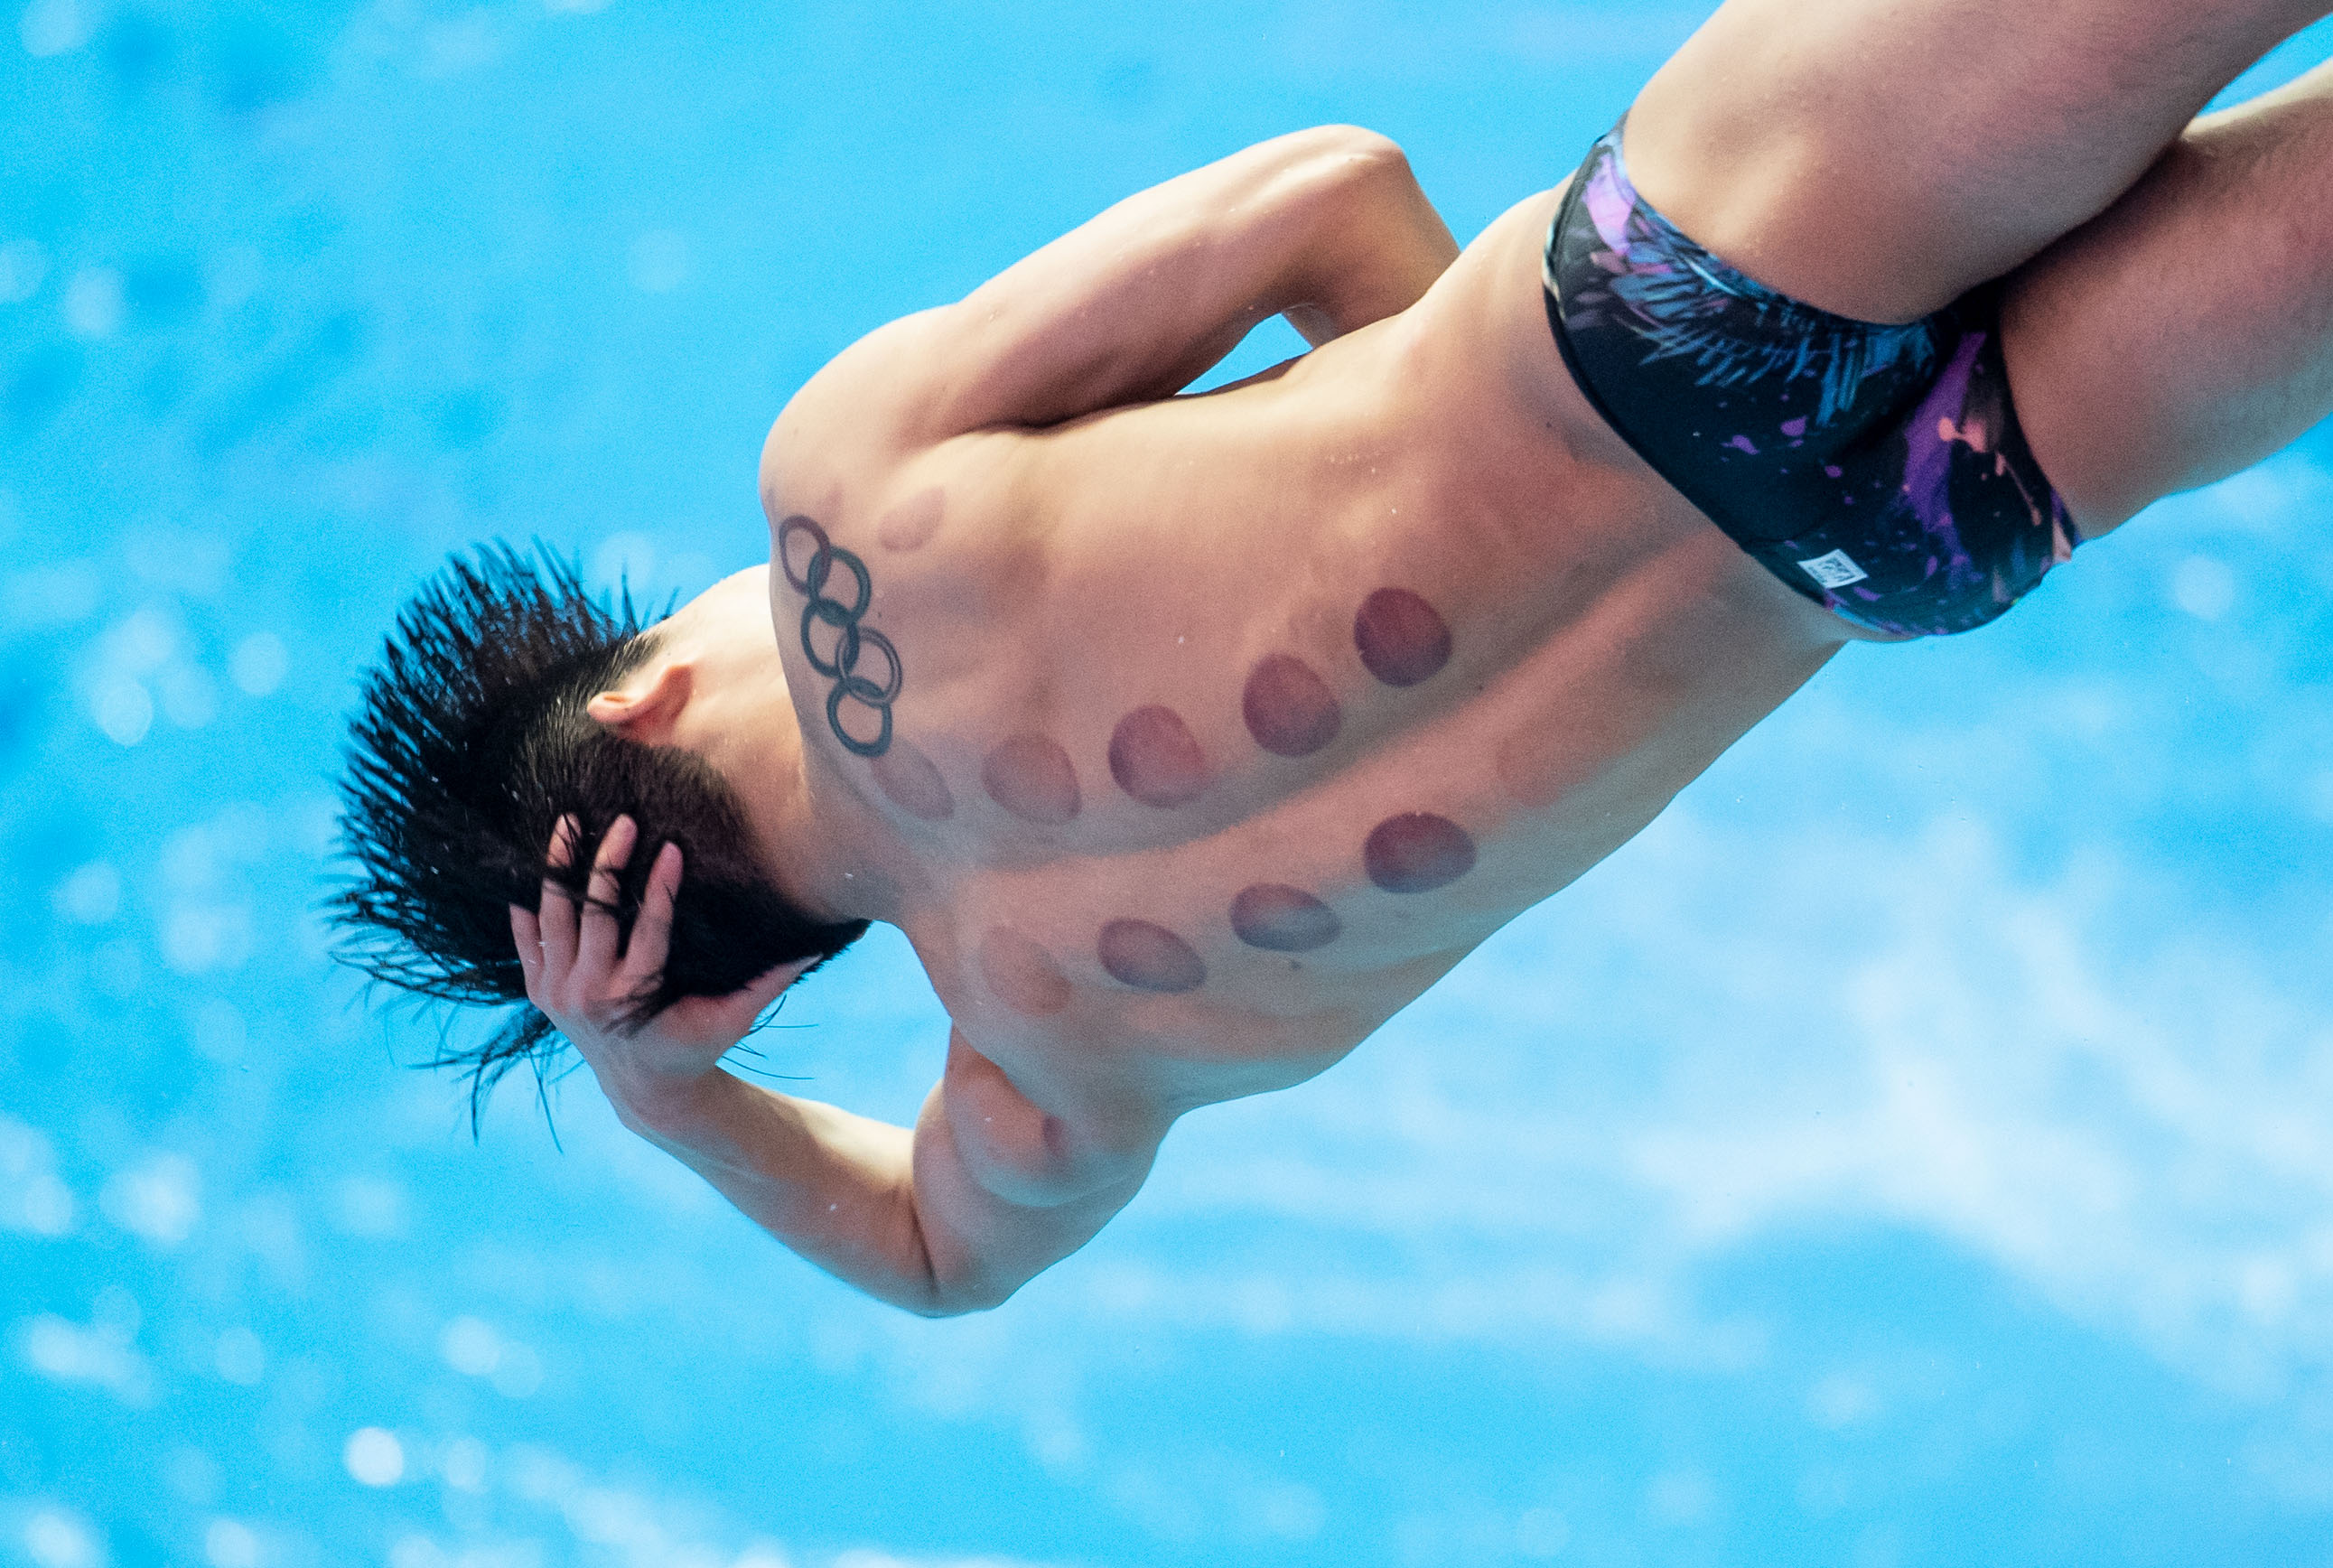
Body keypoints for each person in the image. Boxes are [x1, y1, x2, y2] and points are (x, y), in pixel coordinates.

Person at [337, 0, 2333, 1314]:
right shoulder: (854, 497)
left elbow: (940, 1264)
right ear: (651, 685)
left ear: (757, 976)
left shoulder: (1060, 1063)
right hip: (1694, 280)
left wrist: (666, 1096)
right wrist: (1467, 436)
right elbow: (1330, 190)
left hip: (1894, 535)